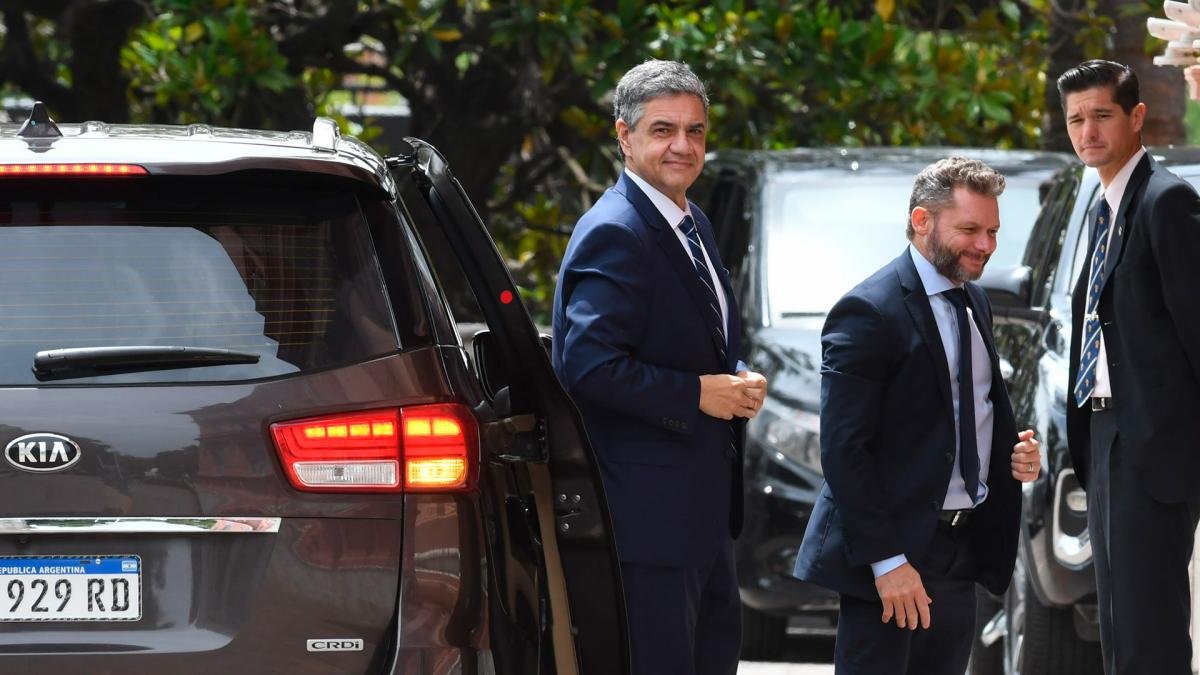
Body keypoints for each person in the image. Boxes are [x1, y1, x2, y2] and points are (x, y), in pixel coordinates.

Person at [551, 59, 767, 675]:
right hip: (647, 522)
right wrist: (698, 394)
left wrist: (738, 377)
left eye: (695, 131)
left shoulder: (690, 220)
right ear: (625, 136)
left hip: (702, 518)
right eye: (663, 129)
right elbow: (588, 366)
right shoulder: (616, 230)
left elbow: (699, 340)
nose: (682, 146)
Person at [792, 157, 1042, 675]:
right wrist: (887, 563)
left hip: (960, 549)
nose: (986, 245)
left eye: (993, 230)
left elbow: (963, 411)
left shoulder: (974, 299)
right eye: (970, 229)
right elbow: (844, 450)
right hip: (893, 558)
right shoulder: (868, 311)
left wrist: (1014, 454)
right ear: (922, 221)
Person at [1058, 59, 1200, 675]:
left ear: (1137, 117)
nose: (1088, 132)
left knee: (1149, 629)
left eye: (1101, 116)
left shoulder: (1168, 201)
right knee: (1115, 623)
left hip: (1155, 444)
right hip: (1106, 434)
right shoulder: (1102, 203)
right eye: (1076, 119)